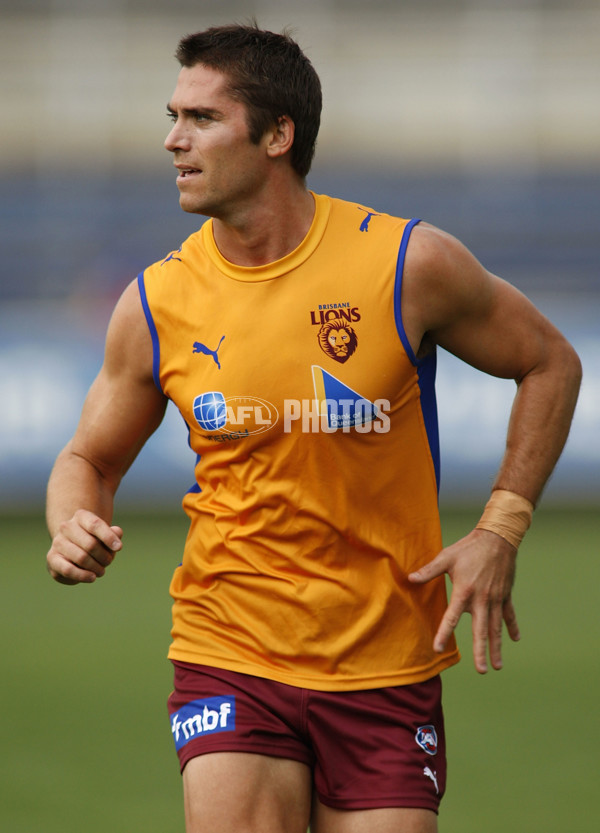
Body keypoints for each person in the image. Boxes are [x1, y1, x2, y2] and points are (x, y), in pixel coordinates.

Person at [45, 23, 581, 833]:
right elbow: (89, 456)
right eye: (172, 115)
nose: (171, 139)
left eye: (200, 118)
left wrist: (502, 526)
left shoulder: (407, 263)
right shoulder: (156, 299)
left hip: (387, 662)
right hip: (229, 647)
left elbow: (551, 362)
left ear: (276, 135)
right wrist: (70, 520)